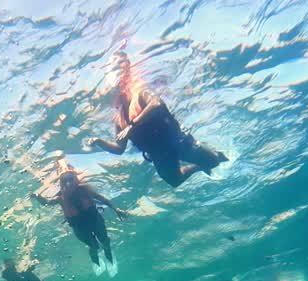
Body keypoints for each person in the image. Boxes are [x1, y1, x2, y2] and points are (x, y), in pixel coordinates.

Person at [86, 53, 227, 188]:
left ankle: (216, 155)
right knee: (175, 181)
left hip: (176, 141)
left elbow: (157, 104)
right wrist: (99, 142)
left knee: (214, 161)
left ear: (122, 89)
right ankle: (198, 167)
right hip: (158, 155)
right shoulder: (119, 120)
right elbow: (119, 148)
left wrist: (133, 125)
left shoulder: (141, 94)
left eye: (114, 93)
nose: (114, 99)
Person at [31, 158, 128, 276]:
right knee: (94, 246)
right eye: (64, 180)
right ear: (61, 183)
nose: (68, 183)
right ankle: (96, 263)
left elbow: (102, 198)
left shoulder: (85, 190)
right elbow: (47, 202)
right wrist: (38, 197)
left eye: (70, 179)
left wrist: (116, 209)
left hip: (95, 220)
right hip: (80, 228)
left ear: (75, 180)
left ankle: (110, 261)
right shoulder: (60, 198)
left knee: (105, 242)